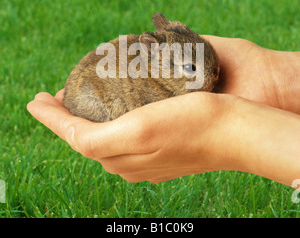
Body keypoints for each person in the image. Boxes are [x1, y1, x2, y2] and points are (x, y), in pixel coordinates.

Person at [27, 36, 300, 187]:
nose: (216, 74)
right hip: (96, 95)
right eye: (192, 70)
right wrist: (275, 80)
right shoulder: (150, 84)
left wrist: (229, 133)